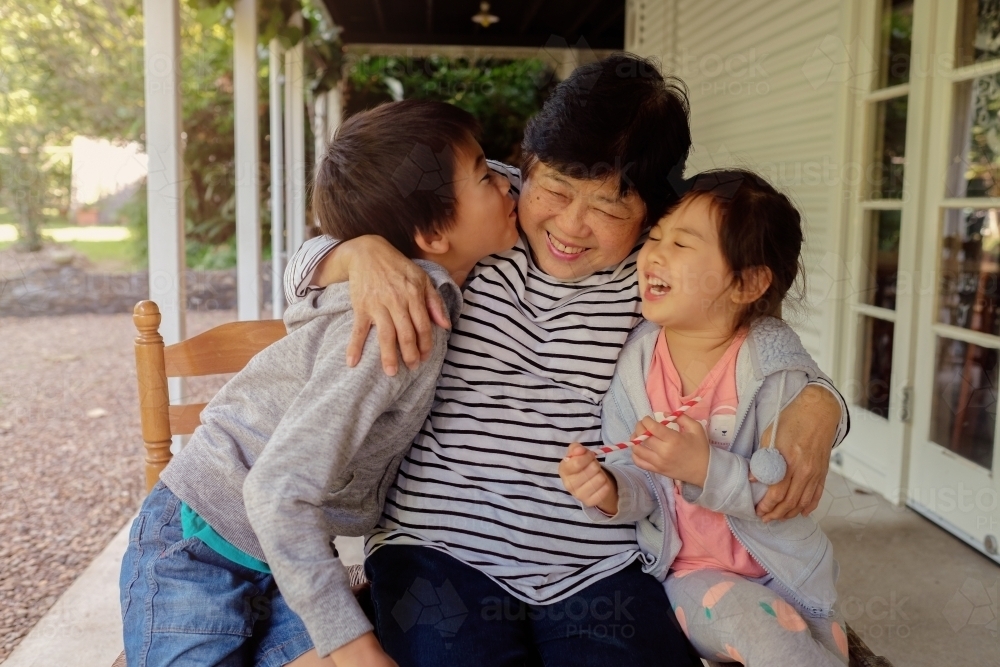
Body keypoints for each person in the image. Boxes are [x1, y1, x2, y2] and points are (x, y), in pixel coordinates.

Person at [285, 54, 848, 667]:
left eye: (609, 208)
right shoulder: (477, 216)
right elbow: (304, 267)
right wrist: (361, 254)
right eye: (553, 189)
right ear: (524, 166)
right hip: (436, 545)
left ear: (653, 214)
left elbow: (754, 333)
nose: (571, 226)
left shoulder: (655, 270)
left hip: (596, 559)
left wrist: (820, 403)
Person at [118, 100, 518, 667]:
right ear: (431, 233)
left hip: (289, 561)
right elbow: (273, 492)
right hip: (202, 544)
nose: (507, 182)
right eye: (484, 173)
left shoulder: (423, 278)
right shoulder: (400, 322)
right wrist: (353, 646)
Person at [560, 169, 849, 666]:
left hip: (785, 566)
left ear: (747, 282)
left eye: (682, 244)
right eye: (656, 237)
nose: (654, 253)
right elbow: (642, 483)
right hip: (690, 573)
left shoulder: (771, 370)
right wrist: (609, 490)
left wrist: (705, 471)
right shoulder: (636, 365)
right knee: (771, 641)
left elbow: (783, 494)